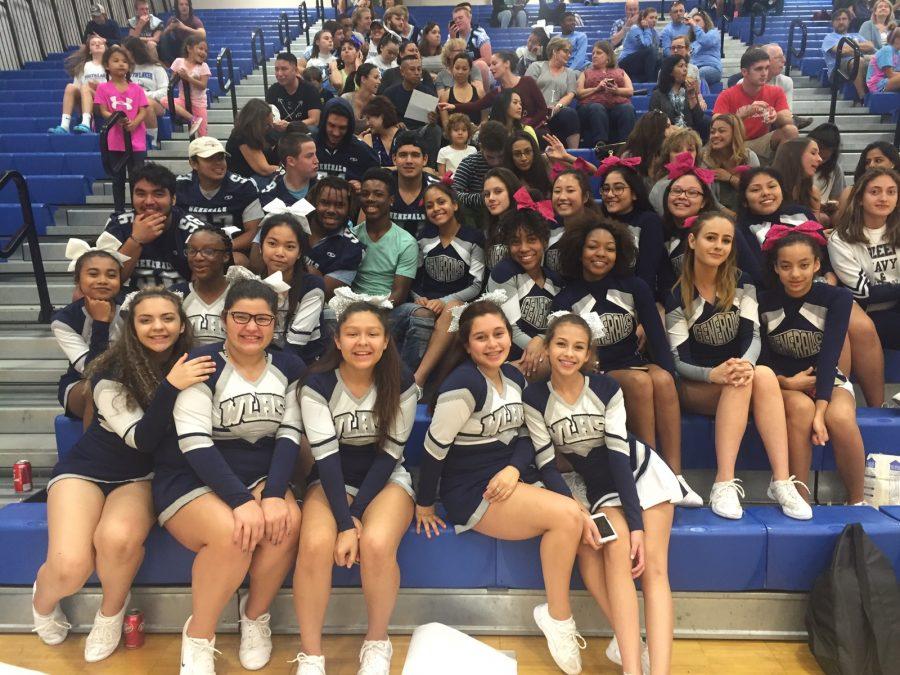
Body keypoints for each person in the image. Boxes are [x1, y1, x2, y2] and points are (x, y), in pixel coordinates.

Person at [33, 288, 213, 664]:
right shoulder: (109, 371)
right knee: (70, 567)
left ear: (182, 324)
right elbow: (142, 438)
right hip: (87, 470)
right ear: (131, 326)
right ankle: (43, 601)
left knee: (116, 539)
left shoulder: (195, 362)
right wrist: (171, 387)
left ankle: (110, 614)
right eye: (146, 319)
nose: (158, 327)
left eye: (167, 318)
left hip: (141, 477)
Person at [415, 298, 591, 675]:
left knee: (577, 514)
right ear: (466, 345)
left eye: (499, 334)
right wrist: (425, 504)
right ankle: (558, 618)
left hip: (509, 480)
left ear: (511, 337)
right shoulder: (462, 386)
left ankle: (558, 616)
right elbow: (433, 452)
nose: (492, 344)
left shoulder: (514, 377)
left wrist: (513, 468)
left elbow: (527, 435)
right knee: (567, 515)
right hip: (473, 491)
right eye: (481, 338)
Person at [160, 279, 304, 674]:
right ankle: (200, 635)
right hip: (194, 472)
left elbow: (290, 434)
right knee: (231, 535)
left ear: (276, 324)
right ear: (224, 320)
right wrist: (241, 501)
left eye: (262, 318)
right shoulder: (202, 362)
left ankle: (254, 616)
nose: (251, 327)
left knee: (286, 523)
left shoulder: (290, 366)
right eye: (241, 317)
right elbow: (194, 443)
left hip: (260, 467)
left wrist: (273, 493)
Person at [524, 311, 680, 675]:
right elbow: (547, 465)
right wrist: (577, 509)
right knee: (615, 554)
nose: (569, 353)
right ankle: (631, 667)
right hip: (601, 491)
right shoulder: (534, 397)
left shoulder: (607, 388)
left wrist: (637, 523)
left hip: (641, 474)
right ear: (547, 347)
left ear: (588, 353)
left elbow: (618, 454)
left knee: (655, 569)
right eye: (561, 344)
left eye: (578, 347)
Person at [292, 294, 418, 675]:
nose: (362, 343)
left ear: (385, 341)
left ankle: (377, 642)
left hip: (386, 478)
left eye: (372, 334)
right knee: (314, 544)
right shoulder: (316, 383)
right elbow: (326, 458)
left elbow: (388, 455)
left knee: (377, 544)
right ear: (337, 340)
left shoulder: (403, 381)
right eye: (352, 334)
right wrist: (345, 523)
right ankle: (311, 654)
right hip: (332, 478)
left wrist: (356, 515)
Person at [664, 212, 812, 520]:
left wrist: (744, 364)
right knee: (744, 379)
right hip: (698, 384)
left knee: (762, 373)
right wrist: (714, 374)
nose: (718, 246)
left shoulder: (742, 283)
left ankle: (782, 481)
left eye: (726, 240)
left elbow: (753, 336)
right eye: (711, 238)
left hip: (736, 376)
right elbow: (680, 361)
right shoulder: (677, 295)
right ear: (692, 241)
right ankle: (723, 482)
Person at [554, 218, 702, 507]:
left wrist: (669, 372)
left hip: (631, 363)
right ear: (579, 250)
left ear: (619, 253)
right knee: (640, 380)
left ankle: (675, 475)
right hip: (595, 371)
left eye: (609, 248)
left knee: (661, 378)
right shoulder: (566, 298)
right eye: (593, 247)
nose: (601, 254)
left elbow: (658, 340)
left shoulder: (635, 287)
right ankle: (647, 473)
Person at [760, 229, 866, 504]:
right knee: (801, 409)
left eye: (804, 265)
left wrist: (822, 410)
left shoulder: (837, 298)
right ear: (776, 268)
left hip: (827, 377)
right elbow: (761, 357)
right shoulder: (763, 301)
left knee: (840, 418)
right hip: (781, 382)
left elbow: (831, 354)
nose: (795, 274)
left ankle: (857, 501)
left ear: (817, 264)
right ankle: (799, 498)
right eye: (786, 266)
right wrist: (785, 382)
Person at [393, 182, 485, 383]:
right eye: (429, 205)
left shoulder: (473, 238)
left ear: (455, 205)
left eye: (441, 202)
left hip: (460, 305)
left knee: (452, 308)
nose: (436, 209)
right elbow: (414, 280)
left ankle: (419, 379)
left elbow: (476, 285)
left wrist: (444, 301)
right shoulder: (423, 238)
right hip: (428, 304)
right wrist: (420, 299)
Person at [53, 237, 127, 422]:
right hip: (81, 383)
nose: (103, 281)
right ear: (78, 279)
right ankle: (91, 451)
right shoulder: (64, 321)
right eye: (93, 274)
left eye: (111, 275)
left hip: (127, 377)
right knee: (96, 389)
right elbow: (93, 370)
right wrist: (100, 322)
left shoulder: (130, 307)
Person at [487, 207, 563, 380]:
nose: (524, 248)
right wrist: (536, 346)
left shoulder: (555, 281)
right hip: (511, 357)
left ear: (544, 241)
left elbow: (559, 326)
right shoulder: (504, 272)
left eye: (532, 240)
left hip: (542, 353)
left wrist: (541, 340)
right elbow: (510, 329)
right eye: (515, 242)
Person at [829, 168, 900, 350]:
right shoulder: (841, 239)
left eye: (891, 192)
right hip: (869, 316)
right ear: (860, 198)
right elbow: (864, 293)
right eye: (874, 192)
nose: (884, 198)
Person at [107, 163, 204, 288]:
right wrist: (136, 240)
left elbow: (202, 290)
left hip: (180, 302)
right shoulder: (118, 225)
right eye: (141, 194)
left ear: (173, 199)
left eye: (158, 194)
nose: (149, 202)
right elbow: (107, 281)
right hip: (129, 303)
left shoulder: (196, 231)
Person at [176, 136, 265, 255]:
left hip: (230, 252)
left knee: (238, 259)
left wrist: (222, 248)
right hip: (188, 252)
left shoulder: (243, 186)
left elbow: (255, 232)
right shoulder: (178, 186)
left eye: (221, 158)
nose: (218, 163)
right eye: (210, 159)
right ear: (193, 163)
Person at [257, 215, 327, 361]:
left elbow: (295, 346)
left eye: (289, 247)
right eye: (272, 244)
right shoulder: (253, 285)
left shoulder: (312, 287)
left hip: (304, 362)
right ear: (260, 246)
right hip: (259, 359)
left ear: (299, 253)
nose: (280, 253)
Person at [713, 47, 799, 164]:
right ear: (744, 72)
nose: (764, 73)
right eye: (759, 69)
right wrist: (743, 115)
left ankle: (778, 176)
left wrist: (775, 115)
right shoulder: (727, 95)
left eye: (767, 68)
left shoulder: (776, 91)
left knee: (790, 130)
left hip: (760, 142)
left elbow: (788, 118)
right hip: (734, 143)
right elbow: (716, 122)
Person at [94, 45, 149, 214]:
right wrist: (115, 119)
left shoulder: (137, 88)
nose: (121, 64)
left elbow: (143, 109)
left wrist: (134, 123)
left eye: (124, 61)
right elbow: (102, 110)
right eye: (116, 61)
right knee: (117, 179)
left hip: (136, 140)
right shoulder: (103, 88)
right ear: (107, 65)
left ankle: (138, 211)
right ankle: (119, 212)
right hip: (115, 141)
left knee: (137, 178)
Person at [597, 158, 666, 293]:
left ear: (634, 193)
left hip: (636, 296)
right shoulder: (598, 221)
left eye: (618, 188)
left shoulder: (649, 221)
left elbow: (647, 273)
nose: (610, 194)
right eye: (606, 189)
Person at [352, 168, 419, 306]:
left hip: (389, 308)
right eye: (365, 194)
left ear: (391, 200)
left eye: (378, 194)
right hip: (352, 304)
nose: (370, 199)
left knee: (420, 315)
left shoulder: (406, 242)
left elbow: (399, 295)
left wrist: (371, 315)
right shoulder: (352, 236)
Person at [440, 51, 549, 135]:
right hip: (511, 134)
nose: (490, 68)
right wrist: (454, 106)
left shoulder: (527, 81)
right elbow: (476, 105)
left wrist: (526, 127)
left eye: (494, 64)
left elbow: (543, 109)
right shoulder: (497, 92)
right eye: (490, 65)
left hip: (534, 130)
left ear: (507, 63)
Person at [300, 177, 366, 300]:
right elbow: (256, 264)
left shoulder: (353, 249)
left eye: (339, 205)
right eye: (325, 203)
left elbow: (322, 292)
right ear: (314, 203)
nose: (331, 210)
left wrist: (290, 263)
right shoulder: (293, 222)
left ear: (349, 208)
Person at [170, 226, 234, 345]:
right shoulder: (176, 295)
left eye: (208, 251)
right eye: (192, 251)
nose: (198, 257)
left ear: (225, 256)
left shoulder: (240, 294)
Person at [576, 41, 636, 148]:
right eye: (593, 53)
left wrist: (616, 90)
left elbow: (630, 91)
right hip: (591, 109)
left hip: (615, 107)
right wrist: (597, 89)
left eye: (598, 53)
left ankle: (627, 145)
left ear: (608, 56)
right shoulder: (585, 72)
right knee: (597, 107)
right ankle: (600, 144)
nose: (594, 56)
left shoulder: (620, 71)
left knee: (627, 108)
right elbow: (579, 93)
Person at [526, 38, 581, 149]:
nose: (569, 55)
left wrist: (557, 107)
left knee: (570, 113)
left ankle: (574, 154)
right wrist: (542, 108)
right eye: (566, 51)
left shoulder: (570, 73)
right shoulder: (537, 66)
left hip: (557, 113)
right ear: (555, 51)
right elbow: (527, 90)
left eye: (570, 52)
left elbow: (570, 94)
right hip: (537, 112)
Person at [700, 113, 761, 211]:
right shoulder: (705, 158)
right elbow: (707, 197)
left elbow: (757, 190)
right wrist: (729, 214)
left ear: (735, 133)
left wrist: (731, 179)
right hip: (716, 214)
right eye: (712, 132)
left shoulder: (749, 157)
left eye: (721, 131)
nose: (715, 135)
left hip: (748, 211)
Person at [49, 34, 107, 135]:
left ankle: (86, 123)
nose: (97, 45)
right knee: (70, 87)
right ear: (89, 50)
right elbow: (76, 87)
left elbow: (116, 87)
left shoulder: (109, 65)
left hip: (104, 102)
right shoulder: (84, 66)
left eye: (100, 43)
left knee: (85, 88)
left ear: (105, 48)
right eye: (93, 44)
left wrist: (99, 87)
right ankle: (65, 125)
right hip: (86, 100)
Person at [316, 98, 381, 186]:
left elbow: (377, 184)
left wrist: (363, 187)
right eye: (331, 125)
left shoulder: (363, 151)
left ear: (349, 127)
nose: (336, 133)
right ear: (323, 122)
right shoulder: (307, 145)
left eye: (342, 128)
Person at [452, 121, 509, 219]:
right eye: (490, 157)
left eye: (500, 156)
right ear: (481, 147)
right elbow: (453, 193)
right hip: (478, 216)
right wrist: (482, 198)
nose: (496, 162)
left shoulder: (510, 159)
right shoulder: (469, 163)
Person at [389, 132, 440, 236]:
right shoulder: (382, 185)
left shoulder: (438, 188)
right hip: (388, 250)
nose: (409, 161)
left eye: (415, 155)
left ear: (425, 159)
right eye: (403, 155)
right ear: (394, 159)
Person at [122, 37, 168, 150]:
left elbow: (165, 92)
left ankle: (152, 141)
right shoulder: (126, 68)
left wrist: (144, 95)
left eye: (125, 51)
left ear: (133, 51)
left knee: (145, 103)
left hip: (156, 103)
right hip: (131, 102)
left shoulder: (156, 68)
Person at [650, 55, 708, 140]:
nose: (685, 69)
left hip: (690, 136)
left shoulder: (689, 91)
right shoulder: (658, 95)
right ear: (670, 71)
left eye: (686, 66)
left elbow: (699, 120)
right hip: (667, 138)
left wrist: (692, 96)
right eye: (681, 66)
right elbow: (655, 122)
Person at [259, 133, 319, 214]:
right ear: (291, 161)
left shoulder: (323, 187)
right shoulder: (270, 194)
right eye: (309, 156)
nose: (316, 161)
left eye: (315, 154)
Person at [822, 9, 875, 99]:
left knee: (879, 59)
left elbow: (870, 46)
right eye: (838, 19)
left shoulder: (856, 35)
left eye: (844, 19)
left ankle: (878, 93)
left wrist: (853, 46)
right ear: (833, 22)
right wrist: (859, 48)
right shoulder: (829, 37)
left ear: (849, 21)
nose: (841, 22)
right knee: (858, 61)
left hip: (857, 61)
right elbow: (842, 51)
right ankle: (862, 97)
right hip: (837, 70)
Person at [759, 43, 813, 130]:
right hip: (754, 129)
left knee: (790, 129)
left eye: (783, 56)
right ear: (765, 61)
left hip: (776, 125)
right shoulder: (744, 83)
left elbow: (786, 112)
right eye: (778, 57)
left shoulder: (785, 81)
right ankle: (795, 121)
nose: (784, 60)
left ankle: (794, 121)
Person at [225, 99, 280, 185]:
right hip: (245, 182)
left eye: (271, 123)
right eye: (267, 125)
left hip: (258, 178)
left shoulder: (262, 132)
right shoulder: (242, 135)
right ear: (256, 124)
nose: (271, 127)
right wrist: (289, 171)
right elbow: (264, 169)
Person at [771, 138, 826, 222]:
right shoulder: (770, 188)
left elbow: (814, 228)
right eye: (813, 153)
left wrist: (815, 210)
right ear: (794, 154)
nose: (820, 159)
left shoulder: (812, 192)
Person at [267, 52, 323, 132]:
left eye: (284, 69)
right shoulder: (273, 90)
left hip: (302, 131)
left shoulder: (310, 89)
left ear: (296, 70)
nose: (279, 74)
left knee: (313, 129)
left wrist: (290, 125)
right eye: (276, 69)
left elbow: (314, 121)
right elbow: (268, 118)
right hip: (280, 132)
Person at [167, 35, 210, 137]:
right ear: (189, 48)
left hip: (199, 104)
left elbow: (203, 85)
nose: (203, 52)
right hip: (183, 100)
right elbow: (173, 81)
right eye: (200, 48)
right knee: (165, 100)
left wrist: (188, 78)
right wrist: (176, 75)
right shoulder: (178, 61)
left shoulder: (204, 66)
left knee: (203, 135)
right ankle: (193, 119)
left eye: (205, 50)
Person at [482, 167, 524, 270]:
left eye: (498, 191)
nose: (490, 198)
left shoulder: (526, 226)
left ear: (512, 192)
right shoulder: (489, 230)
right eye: (486, 194)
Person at [622, 110, 672, 185]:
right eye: (667, 127)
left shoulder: (671, 153)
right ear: (655, 130)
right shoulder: (629, 157)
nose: (672, 131)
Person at [449, 4, 493, 86]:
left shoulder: (479, 33)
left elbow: (487, 59)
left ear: (469, 18)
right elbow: (449, 61)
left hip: (477, 70)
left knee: (481, 65)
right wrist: (453, 40)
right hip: (459, 70)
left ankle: (485, 97)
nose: (457, 21)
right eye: (455, 19)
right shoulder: (452, 35)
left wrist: (467, 66)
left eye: (460, 18)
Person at [807, 123, 846, 210]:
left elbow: (837, 198)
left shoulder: (835, 169)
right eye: (814, 154)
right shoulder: (796, 162)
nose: (819, 160)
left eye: (824, 158)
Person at [503, 131, 552, 197]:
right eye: (517, 154)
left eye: (528, 152)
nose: (524, 158)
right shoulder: (505, 178)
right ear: (510, 156)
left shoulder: (546, 164)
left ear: (534, 151)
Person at [438, 54, 482, 127]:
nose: (460, 72)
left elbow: (484, 121)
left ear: (470, 71)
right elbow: (446, 125)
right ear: (452, 69)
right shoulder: (445, 96)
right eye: (457, 68)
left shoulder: (479, 92)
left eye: (464, 69)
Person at [619, 8, 660, 84]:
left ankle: (655, 84)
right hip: (625, 62)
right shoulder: (635, 29)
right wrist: (647, 28)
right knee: (651, 51)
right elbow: (645, 46)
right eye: (651, 18)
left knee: (660, 59)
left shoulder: (655, 33)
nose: (654, 20)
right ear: (643, 19)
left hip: (639, 62)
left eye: (656, 18)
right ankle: (650, 83)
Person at [361, 94, 403, 168]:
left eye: (369, 118)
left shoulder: (405, 137)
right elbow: (369, 168)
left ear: (381, 116)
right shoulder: (368, 138)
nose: (367, 123)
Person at [158, 0, 205, 65]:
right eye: (181, 4)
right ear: (177, 7)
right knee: (164, 37)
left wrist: (184, 27)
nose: (184, 7)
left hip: (190, 47)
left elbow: (203, 34)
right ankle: (170, 64)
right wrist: (169, 28)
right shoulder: (173, 20)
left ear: (189, 7)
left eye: (186, 4)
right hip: (178, 46)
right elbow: (161, 36)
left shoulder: (195, 20)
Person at [688, 9, 723, 87]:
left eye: (697, 20)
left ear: (705, 22)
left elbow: (705, 41)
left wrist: (695, 26)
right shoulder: (693, 41)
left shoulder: (713, 33)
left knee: (699, 73)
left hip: (712, 68)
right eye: (693, 21)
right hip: (695, 68)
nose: (695, 23)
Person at [342, 62, 382, 128]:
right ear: (363, 79)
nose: (379, 82)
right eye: (375, 78)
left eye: (379, 78)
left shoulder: (378, 102)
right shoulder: (346, 99)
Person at [866, 26, 900, 93]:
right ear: (895, 38)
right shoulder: (887, 50)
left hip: (888, 82)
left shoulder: (898, 53)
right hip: (877, 85)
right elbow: (890, 74)